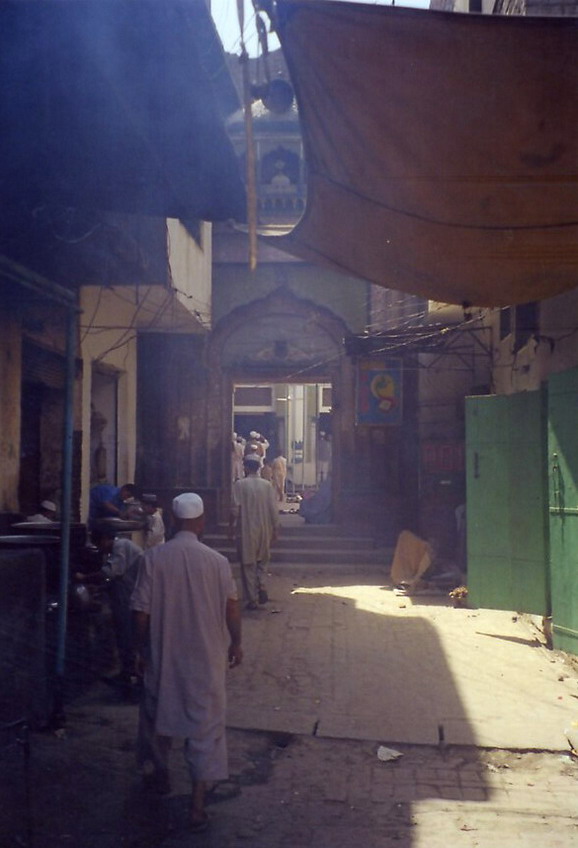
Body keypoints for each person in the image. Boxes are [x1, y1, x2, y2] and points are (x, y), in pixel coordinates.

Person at [131, 493, 242, 833]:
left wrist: (139, 650)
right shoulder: (217, 562)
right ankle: (196, 804)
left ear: (177, 522)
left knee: (157, 716)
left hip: (164, 653)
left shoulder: (154, 558)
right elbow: (232, 608)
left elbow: (141, 612)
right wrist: (237, 642)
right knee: (205, 728)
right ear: (201, 522)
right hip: (206, 657)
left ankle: (161, 775)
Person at [75, 527, 142, 687]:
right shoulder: (119, 549)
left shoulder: (121, 545)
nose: (100, 548)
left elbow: (111, 572)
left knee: (127, 637)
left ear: (105, 538)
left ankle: (132, 675)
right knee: (124, 636)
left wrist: (85, 577)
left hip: (130, 597)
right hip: (125, 595)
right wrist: (99, 588)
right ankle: (127, 673)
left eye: (100, 544)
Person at [229, 454, 279, 609]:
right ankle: (262, 584)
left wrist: (231, 528)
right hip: (264, 528)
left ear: (247, 467)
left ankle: (252, 599)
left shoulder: (240, 485)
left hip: (246, 529)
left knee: (248, 563)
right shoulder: (267, 485)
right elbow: (273, 510)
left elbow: (235, 510)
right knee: (262, 560)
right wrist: (275, 529)